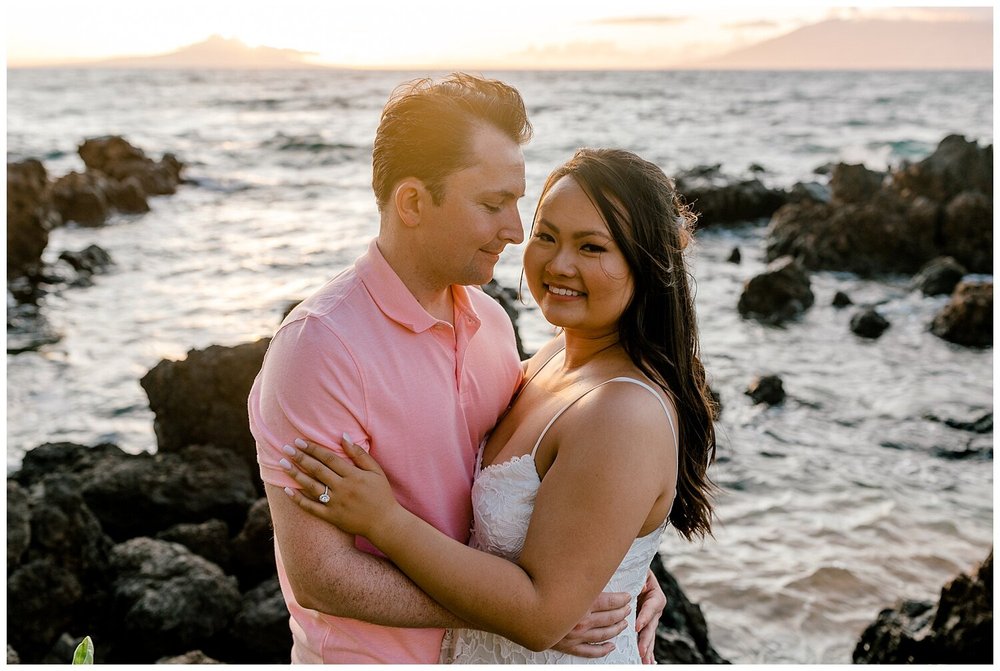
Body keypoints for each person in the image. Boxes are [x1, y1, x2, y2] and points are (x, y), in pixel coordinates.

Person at [248, 74, 666, 664]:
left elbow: (551, 483)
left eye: (518, 203)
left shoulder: (491, 324)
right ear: (414, 202)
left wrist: (614, 563)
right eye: (493, 204)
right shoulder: (321, 348)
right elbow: (322, 575)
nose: (515, 231)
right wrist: (533, 610)